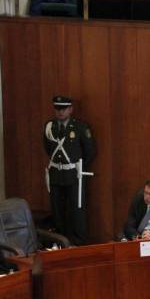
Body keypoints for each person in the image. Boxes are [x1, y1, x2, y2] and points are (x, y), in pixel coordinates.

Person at [43, 95, 96, 245]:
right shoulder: (49, 126)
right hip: (55, 174)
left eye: (64, 109)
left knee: (77, 211)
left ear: (70, 109)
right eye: (57, 109)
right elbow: (47, 148)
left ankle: (79, 243)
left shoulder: (80, 127)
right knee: (57, 211)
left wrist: (77, 167)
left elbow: (90, 152)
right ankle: (60, 242)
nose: (60, 112)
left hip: (74, 175)